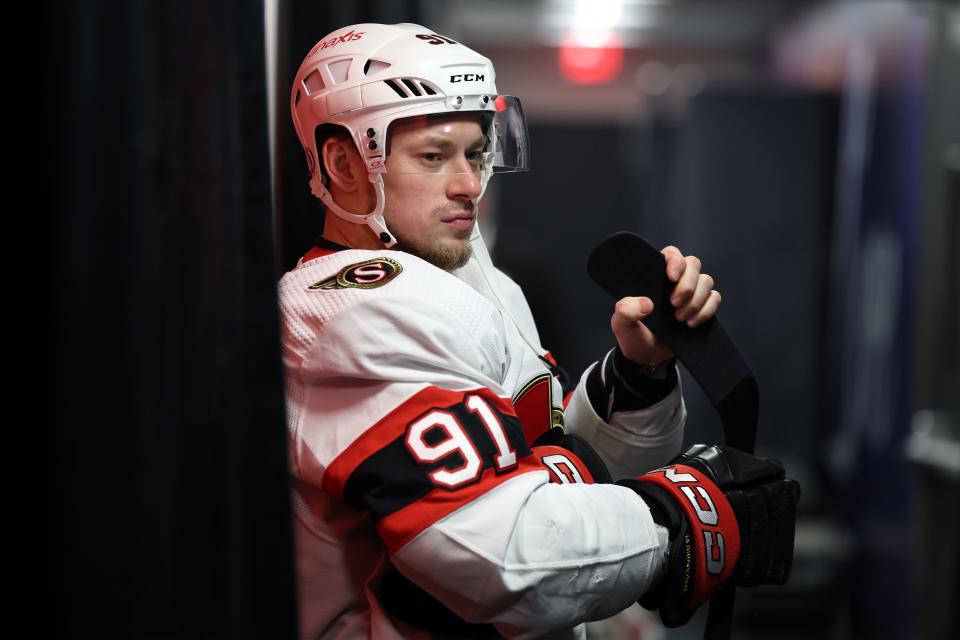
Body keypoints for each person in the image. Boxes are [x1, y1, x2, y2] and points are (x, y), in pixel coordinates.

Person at [280, 22, 798, 640]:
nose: (470, 184)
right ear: (344, 164)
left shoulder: (467, 278)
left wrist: (635, 378)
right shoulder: (352, 313)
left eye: (475, 154)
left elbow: (549, 480)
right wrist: (682, 517)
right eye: (434, 156)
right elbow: (501, 558)